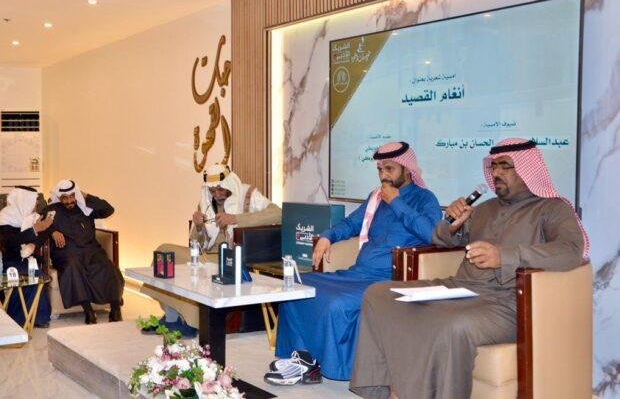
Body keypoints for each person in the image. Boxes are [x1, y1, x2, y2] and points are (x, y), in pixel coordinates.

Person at [349, 138, 589, 399]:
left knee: (452, 324)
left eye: (504, 166)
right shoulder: (484, 209)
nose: (496, 173)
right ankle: (383, 389)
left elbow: (571, 251)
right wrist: (452, 223)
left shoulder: (552, 208)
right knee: (378, 294)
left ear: (526, 169)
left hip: (506, 301)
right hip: (460, 288)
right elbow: (441, 239)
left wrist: (505, 256)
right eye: (493, 166)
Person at [267, 142, 441, 384]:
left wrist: (396, 202)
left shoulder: (425, 199)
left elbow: (432, 233)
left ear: (407, 169)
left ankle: (323, 365)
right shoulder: (376, 198)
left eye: (389, 169)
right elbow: (351, 224)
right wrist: (327, 236)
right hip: (357, 273)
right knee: (297, 286)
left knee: (336, 304)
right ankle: (301, 359)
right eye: (380, 169)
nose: (383, 176)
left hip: (389, 279)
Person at [142, 163, 282, 337]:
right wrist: (198, 226)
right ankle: (172, 318)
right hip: (207, 254)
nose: (217, 194)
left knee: (194, 266)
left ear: (229, 184)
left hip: (231, 257)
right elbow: (195, 243)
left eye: (220, 190)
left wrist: (236, 219)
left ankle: (190, 323)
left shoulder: (248, 194)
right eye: (212, 190)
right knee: (165, 252)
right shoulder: (206, 203)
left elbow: (278, 213)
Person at [42, 179, 122, 324]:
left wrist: (87, 197)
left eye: (72, 196)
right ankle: (88, 311)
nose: (69, 201)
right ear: (59, 197)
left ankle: (115, 308)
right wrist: (52, 231)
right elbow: (38, 224)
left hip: (91, 250)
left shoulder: (85, 207)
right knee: (73, 267)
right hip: (67, 253)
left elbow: (108, 210)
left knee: (107, 266)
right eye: (64, 198)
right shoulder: (52, 210)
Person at [0, 186, 53, 328]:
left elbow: (44, 232)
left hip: (26, 259)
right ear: (24, 200)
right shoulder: (5, 217)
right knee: (25, 276)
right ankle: (16, 319)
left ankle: (39, 318)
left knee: (37, 275)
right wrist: (34, 230)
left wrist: (33, 244)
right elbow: (9, 242)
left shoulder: (30, 216)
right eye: (34, 200)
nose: (37, 203)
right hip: (8, 260)